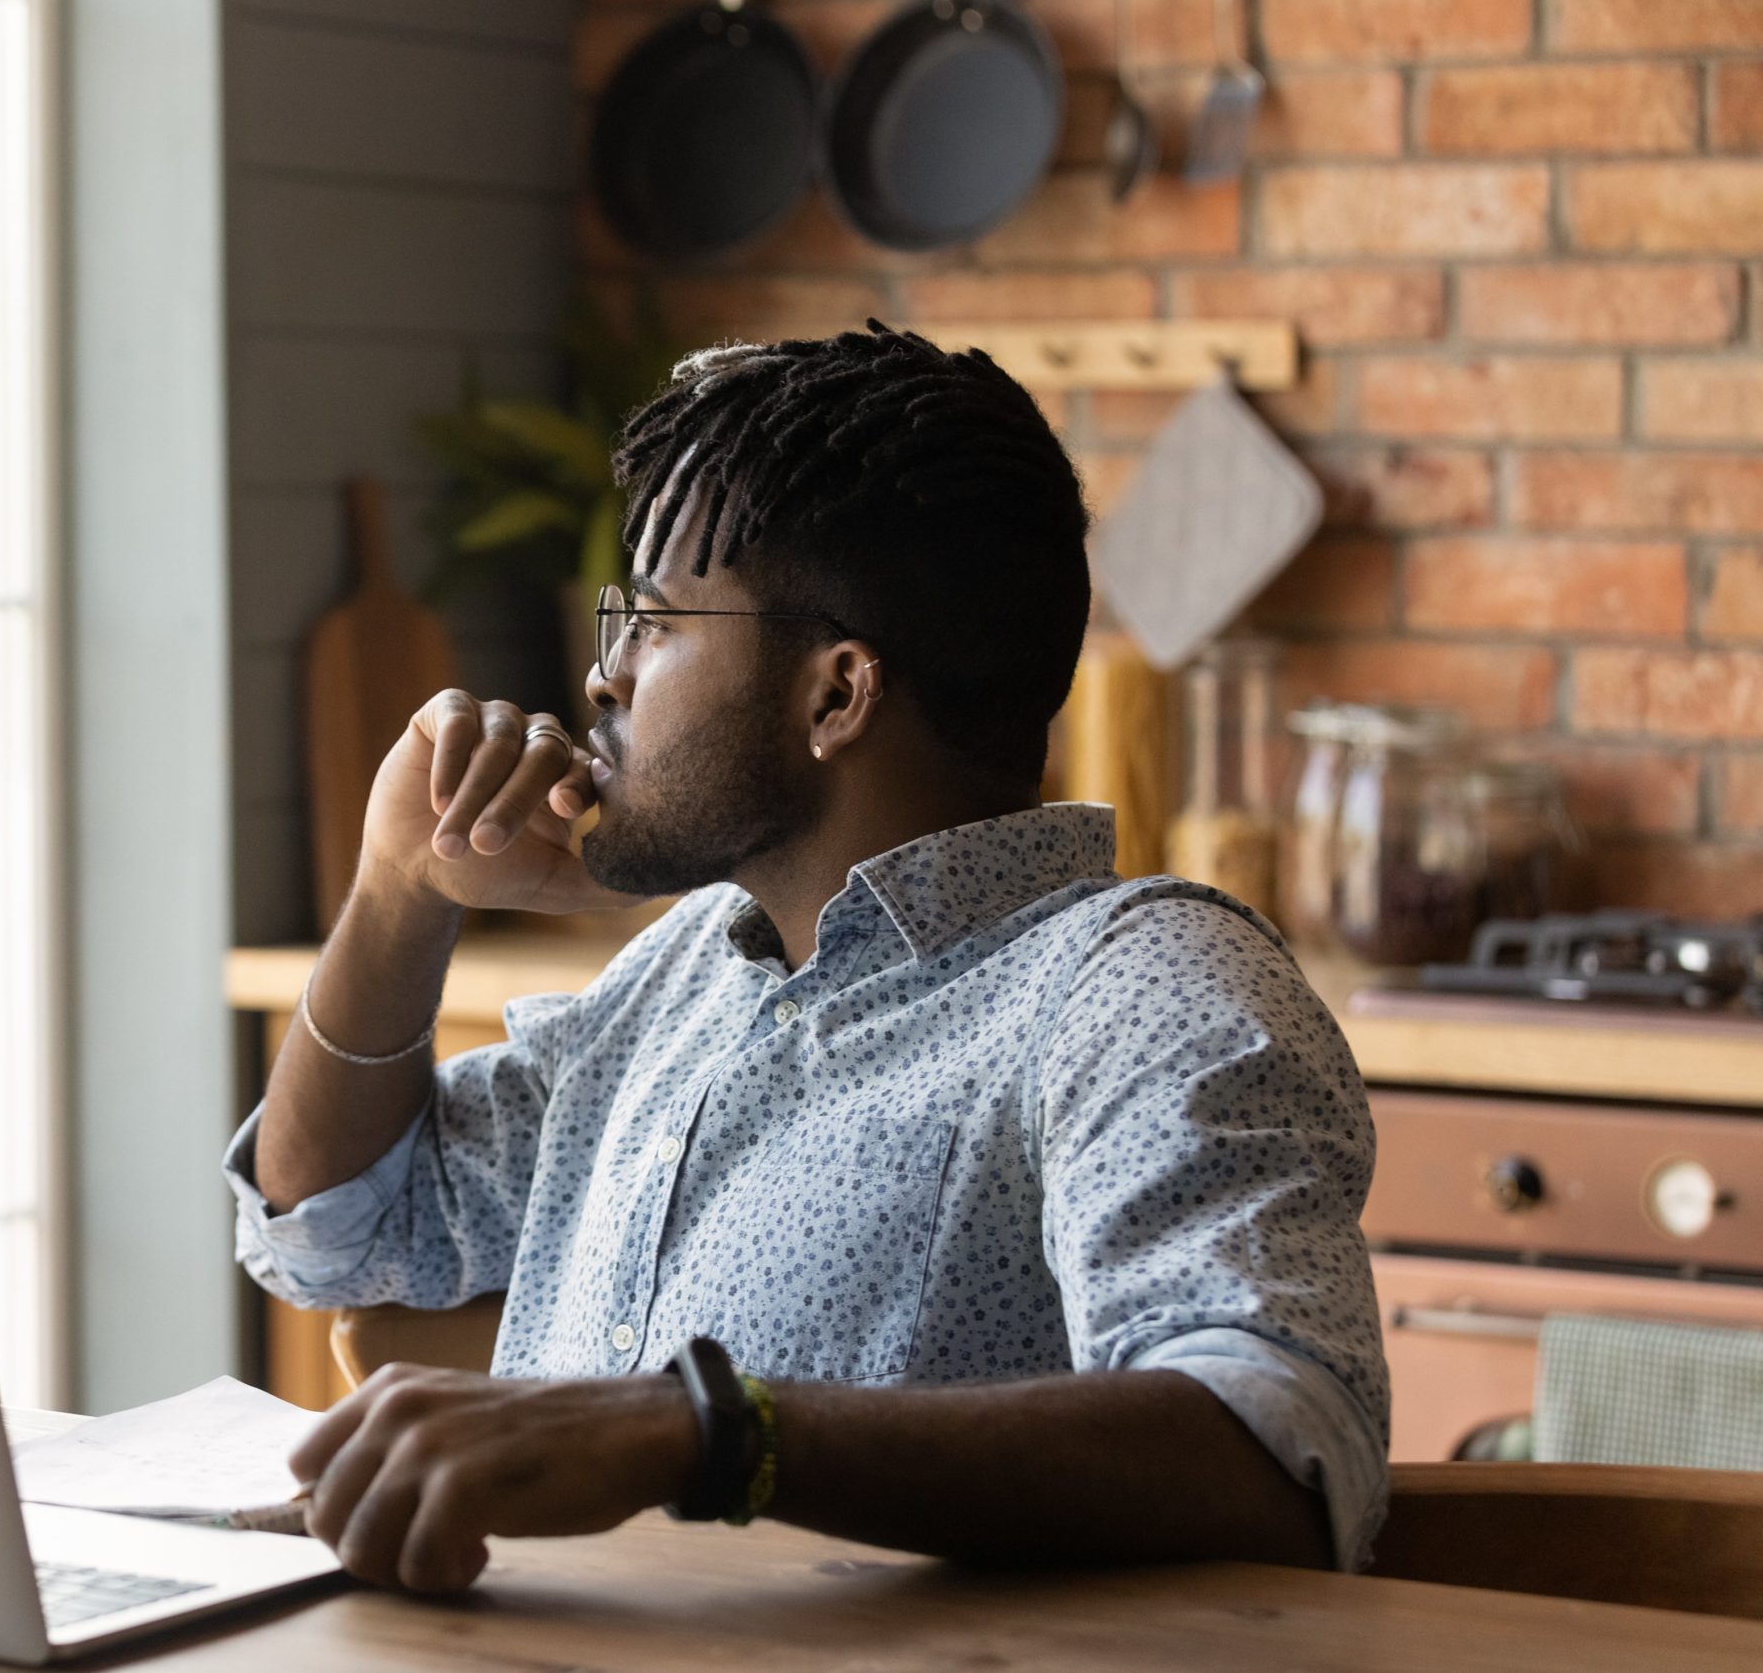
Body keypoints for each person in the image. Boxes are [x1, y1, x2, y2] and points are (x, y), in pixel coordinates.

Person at [225, 322, 1387, 1596]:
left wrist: (710, 1431)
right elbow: (336, 1234)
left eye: (655, 623)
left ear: (835, 696)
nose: (603, 677)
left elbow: (1274, 1461)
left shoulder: (1138, 988)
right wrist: (403, 891)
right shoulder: (686, 971)